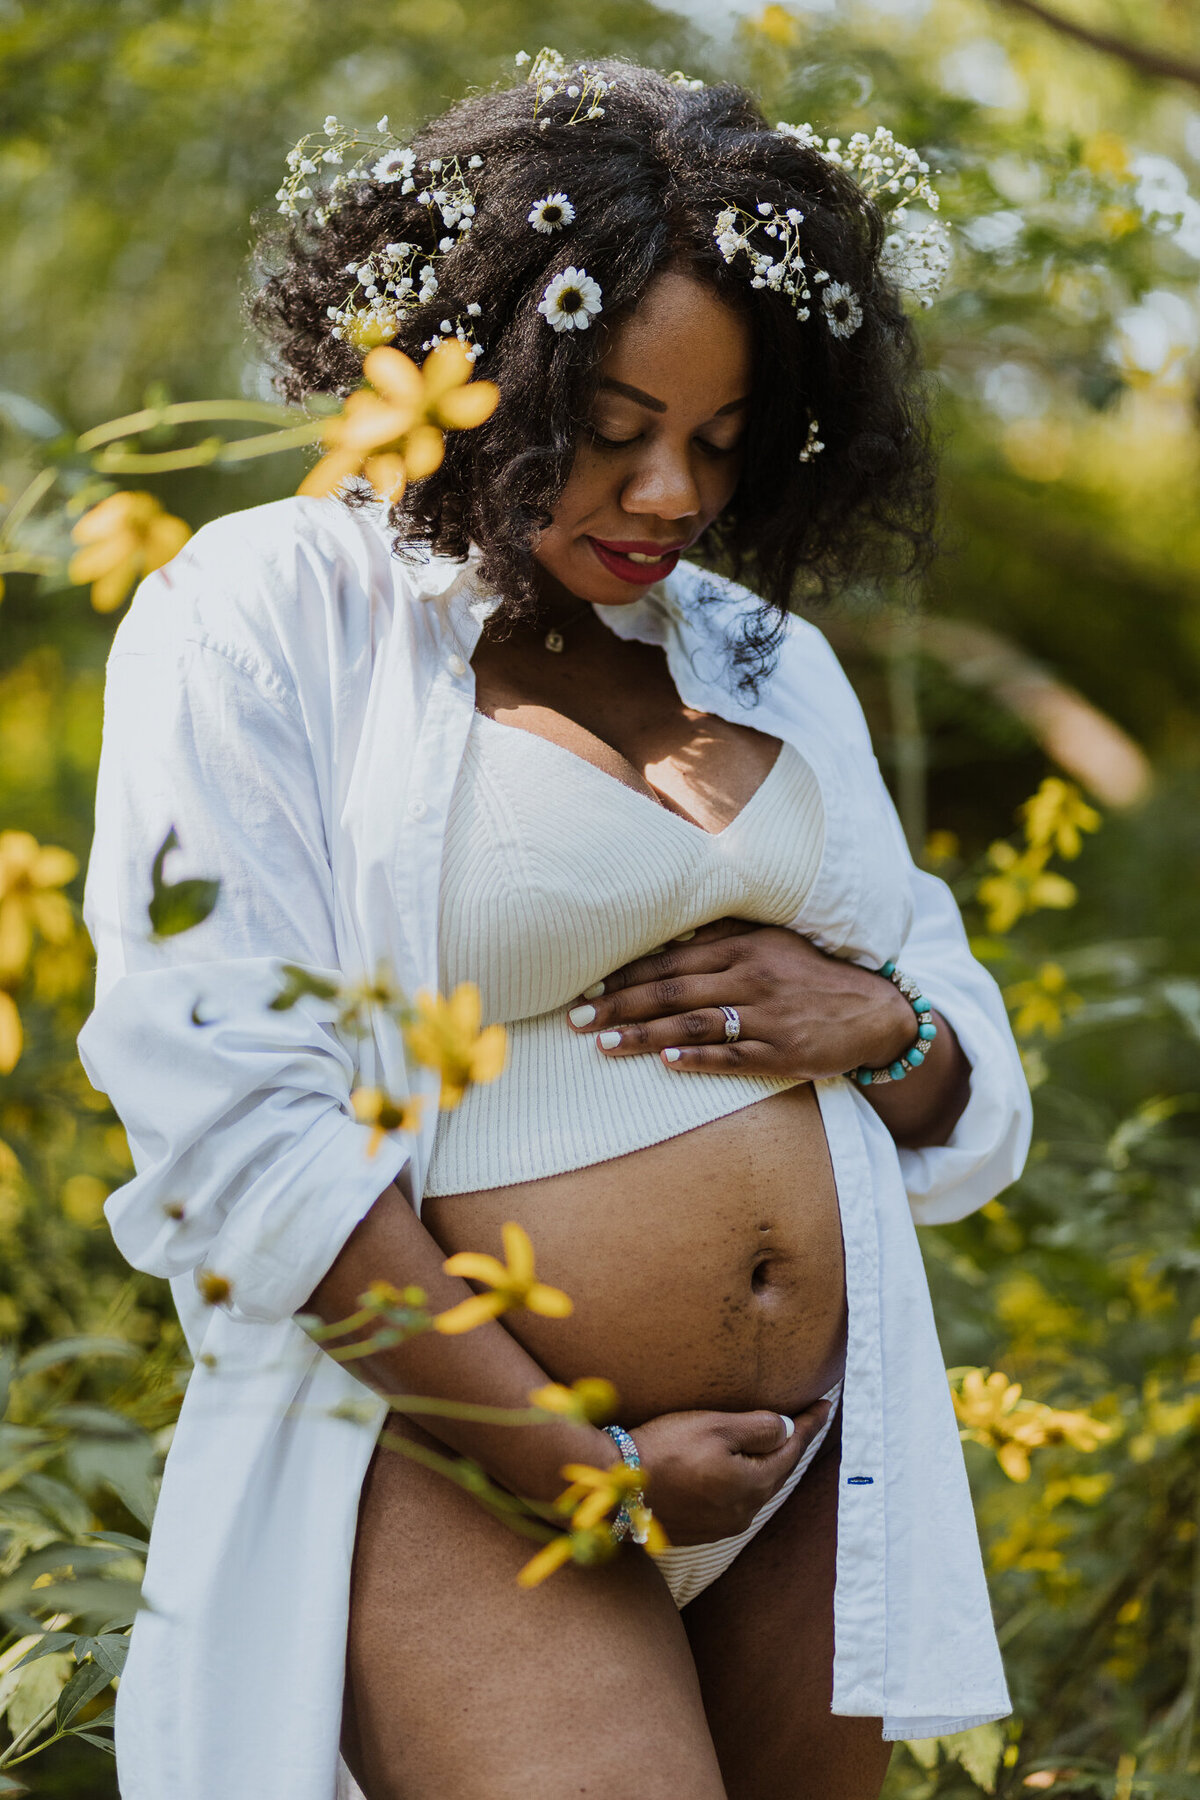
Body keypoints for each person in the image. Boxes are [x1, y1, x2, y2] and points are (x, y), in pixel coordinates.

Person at [78, 54, 1031, 1800]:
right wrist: (569, 1468)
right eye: (610, 436)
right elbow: (223, 1108)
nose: (669, 497)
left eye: (721, 446)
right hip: (452, 1459)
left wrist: (877, 1028)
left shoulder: (763, 658)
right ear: (483, 372)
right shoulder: (266, 611)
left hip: (814, 1456)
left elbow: (958, 1051)